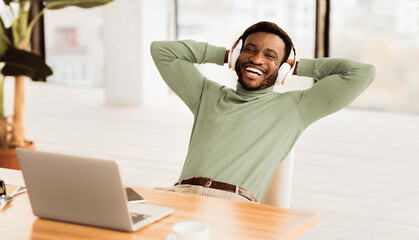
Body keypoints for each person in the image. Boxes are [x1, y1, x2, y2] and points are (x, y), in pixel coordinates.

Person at [150, 21, 375, 203]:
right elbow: (162, 51)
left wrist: (296, 66)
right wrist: (224, 55)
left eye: (270, 56)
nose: (257, 59)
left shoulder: (296, 108)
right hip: (179, 195)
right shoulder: (205, 94)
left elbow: (362, 73)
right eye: (250, 50)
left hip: (234, 204)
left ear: (283, 67)